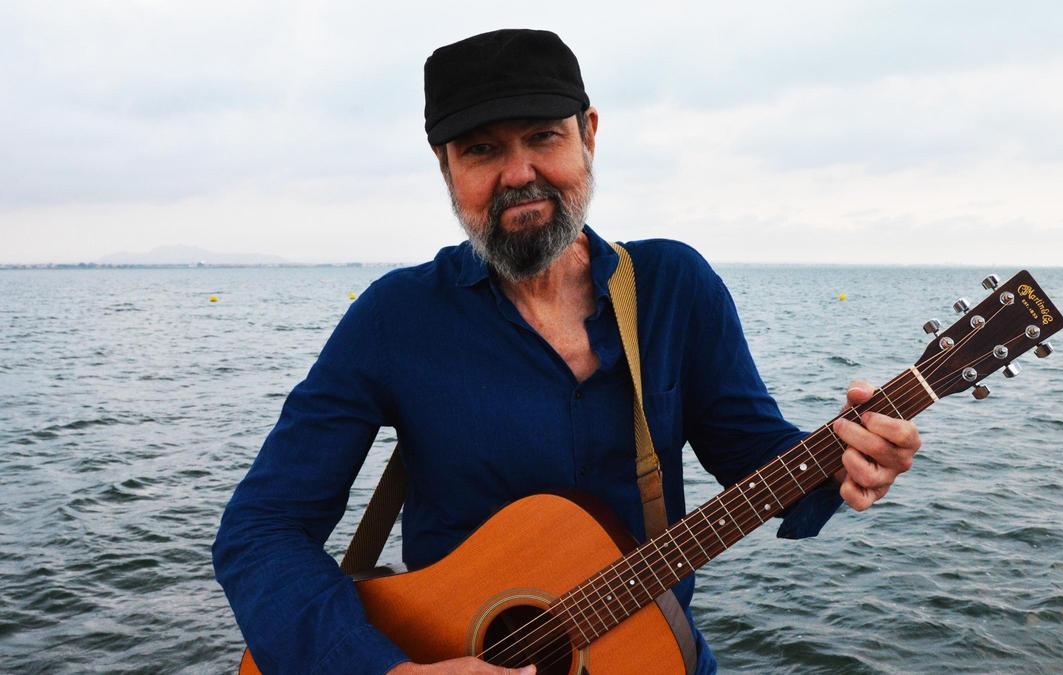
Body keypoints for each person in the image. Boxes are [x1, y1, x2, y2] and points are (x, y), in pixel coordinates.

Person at [213, 28, 922, 675]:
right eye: (482, 150)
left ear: (589, 134)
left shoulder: (673, 287)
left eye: (543, 137)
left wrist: (844, 461)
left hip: (653, 658)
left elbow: (758, 457)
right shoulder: (394, 319)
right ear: (445, 167)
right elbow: (261, 528)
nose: (518, 173)